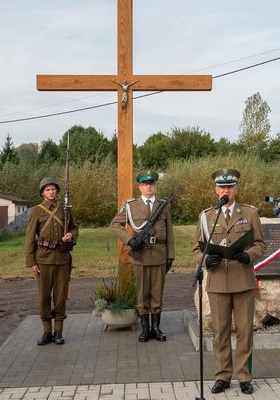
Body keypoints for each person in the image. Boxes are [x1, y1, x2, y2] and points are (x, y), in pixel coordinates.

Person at [192, 168, 266, 395]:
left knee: (245, 331)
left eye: (230, 186)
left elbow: (260, 245)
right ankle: (223, 376)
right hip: (217, 283)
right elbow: (196, 250)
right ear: (216, 189)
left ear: (236, 188)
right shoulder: (206, 216)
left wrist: (249, 255)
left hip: (242, 279)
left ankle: (244, 376)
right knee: (220, 332)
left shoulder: (250, 213)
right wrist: (206, 260)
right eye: (222, 187)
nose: (226, 190)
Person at [110, 170, 175, 342]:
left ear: (155, 186)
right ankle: (145, 329)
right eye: (145, 184)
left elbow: (170, 233)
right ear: (140, 186)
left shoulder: (164, 205)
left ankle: (156, 328)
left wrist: (171, 255)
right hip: (141, 255)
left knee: (157, 293)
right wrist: (130, 241)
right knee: (142, 293)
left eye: (152, 184)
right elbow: (115, 225)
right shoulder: (131, 205)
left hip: (160, 254)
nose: (149, 187)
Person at [25, 177, 78, 345]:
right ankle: (47, 331)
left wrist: (71, 235)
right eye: (47, 189)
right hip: (43, 260)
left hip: (62, 259)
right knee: (44, 297)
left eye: (53, 189)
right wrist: (32, 262)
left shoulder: (66, 209)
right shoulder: (36, 211)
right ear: (42, 193)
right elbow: (30, 238)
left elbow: (74, 227)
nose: (51, 192)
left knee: (61, 297)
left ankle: (58, 332)